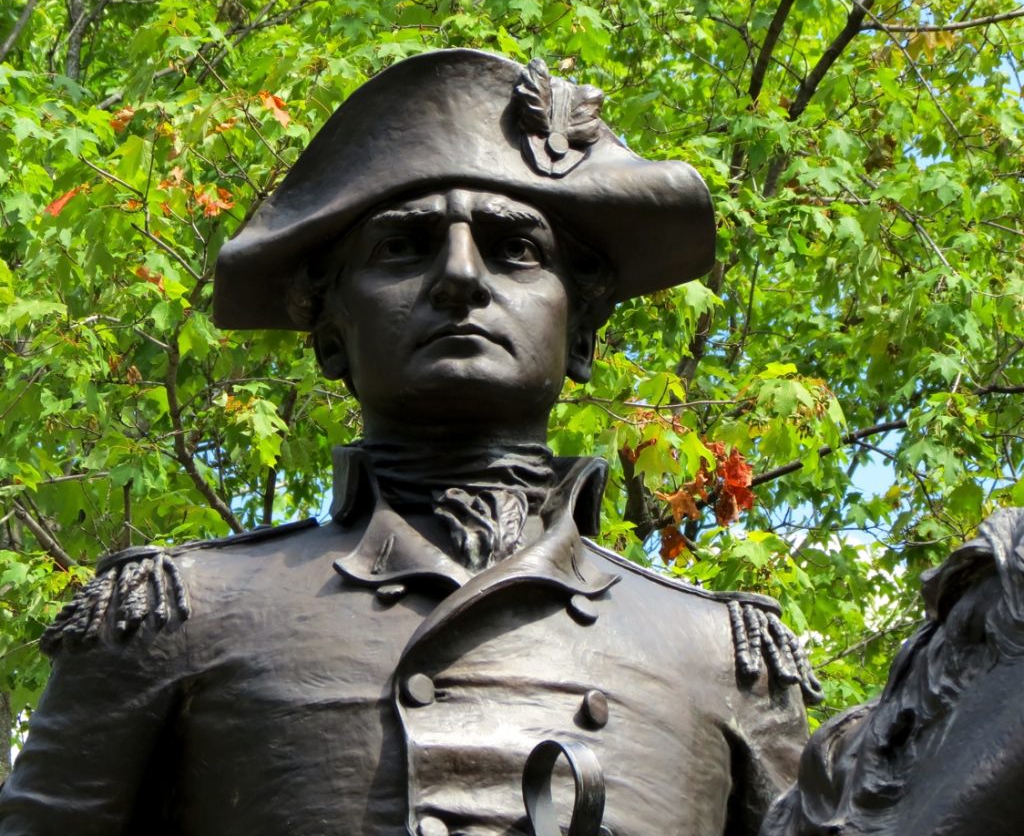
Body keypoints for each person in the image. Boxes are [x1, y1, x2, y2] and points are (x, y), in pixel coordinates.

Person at [0, 49, 818, 836]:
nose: (461, 277)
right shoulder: (175, 617)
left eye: (515, 250)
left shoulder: (719, 655)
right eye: (403, 246)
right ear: (328, 334)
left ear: (582, 333)